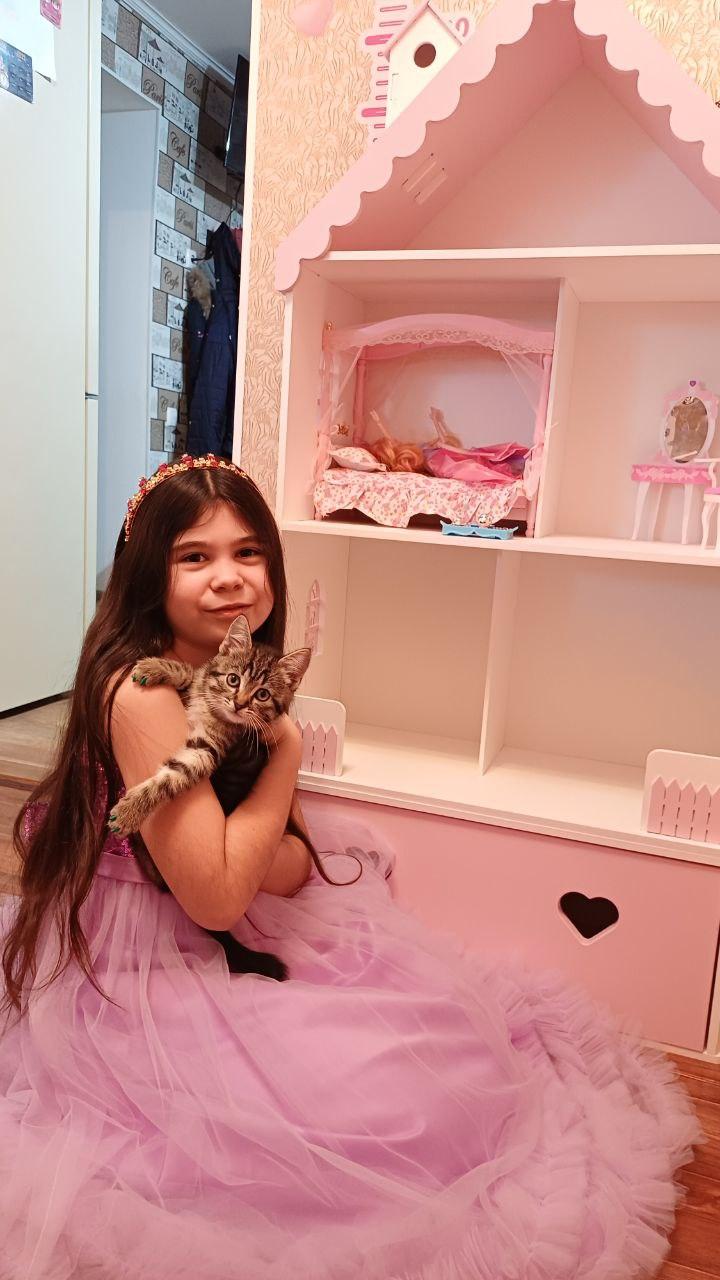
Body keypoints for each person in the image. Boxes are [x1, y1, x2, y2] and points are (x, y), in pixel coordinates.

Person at [0, 455, 700, 1280]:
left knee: (451, 1053)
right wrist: (284, 755)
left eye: (248, 551)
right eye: (194, 557)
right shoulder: (142, 693)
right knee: (372, 1117)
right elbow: (217, 895)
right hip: (144, 956)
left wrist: (247, 834)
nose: (229, 578)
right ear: (150, 573)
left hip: (228, 919)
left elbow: (290, 863)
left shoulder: (239, 669)